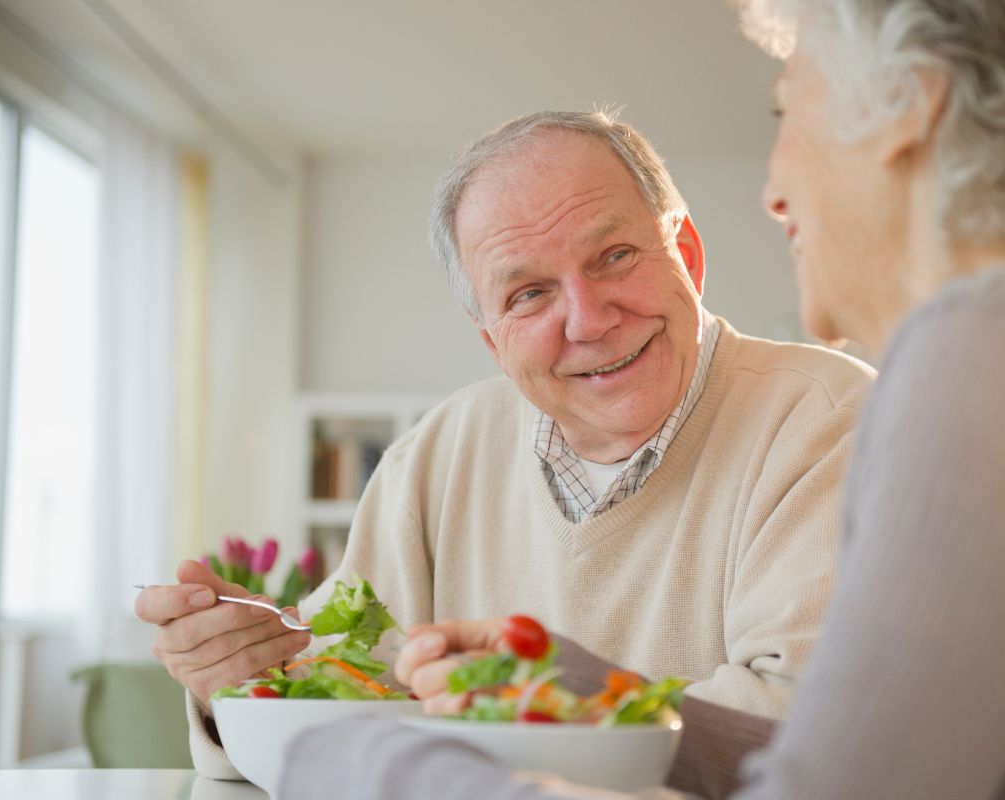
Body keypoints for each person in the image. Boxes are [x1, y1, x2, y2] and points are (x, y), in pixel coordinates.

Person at [276, 0, 1005, 798]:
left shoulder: (993, 358)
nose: (774, 187)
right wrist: (590, 694)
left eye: (786, 111)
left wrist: (365, 765)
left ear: (911, 107)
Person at [134, 110, 873, 787]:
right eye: (528, 295)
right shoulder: (436, 453)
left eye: (615, 256)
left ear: (686, 254)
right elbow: (344, 690)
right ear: (493, 340)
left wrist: (516, 720)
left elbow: (815, 735)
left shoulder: (831, 421)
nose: (587, 320)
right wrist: (247, 672)